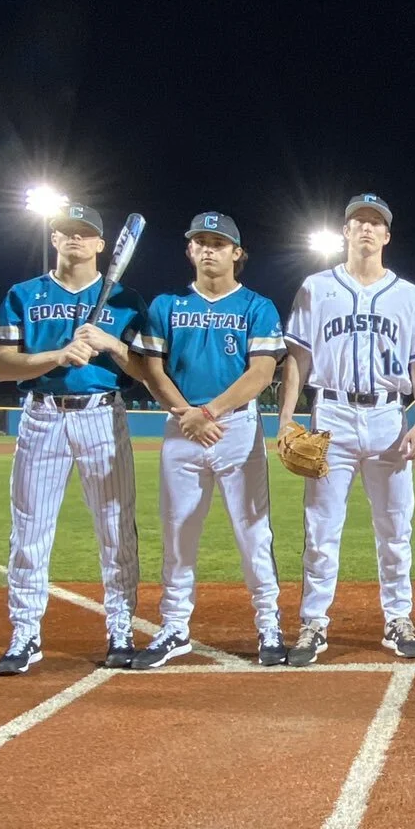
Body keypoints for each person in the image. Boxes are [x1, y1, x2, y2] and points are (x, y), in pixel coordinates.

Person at [278, 193, 415, 666]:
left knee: (395, 527)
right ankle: (313, 624)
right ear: (345, 232)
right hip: (331, 415)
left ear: (387, 235)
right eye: (357, 222)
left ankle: (398, 617)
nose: (366, 229)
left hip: (390, 416)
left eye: (375, 223)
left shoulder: (408, 295)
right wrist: (287, 418)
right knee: (322, 528)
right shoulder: (315, 287)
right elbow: (298, 359)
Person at [0, 204, 147, 673]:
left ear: (102, 245)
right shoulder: (24, 295)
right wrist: (58, 355)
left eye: (84, 234)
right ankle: (25, 634)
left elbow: (144, 371)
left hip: (101, 416)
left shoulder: (124, 301)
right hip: (41, 417)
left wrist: (112, 345)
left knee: (116, 530)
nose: (74, 239)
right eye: (65, 232)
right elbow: (0, 366)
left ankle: (120, 629)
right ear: (53, 239)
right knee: (30, 531)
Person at [131, 213, 285, 668]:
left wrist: (209, 412)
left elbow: (262, 372)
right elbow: (151, 370)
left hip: (235, 426)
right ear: (189, 250)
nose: (208, 249)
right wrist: (187, 414)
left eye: (218, 243)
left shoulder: (257, 306)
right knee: (179, 534)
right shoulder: (165, 304)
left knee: (253, 534)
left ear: (237, 253)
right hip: (182, 426)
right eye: (200, 241)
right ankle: (174, 627)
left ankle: (269, 625)